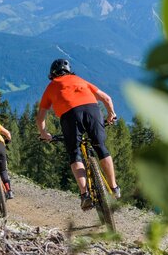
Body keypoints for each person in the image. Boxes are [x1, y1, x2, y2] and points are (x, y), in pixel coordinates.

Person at [36, 59, 120, 211]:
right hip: (93, 111)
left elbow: (41, 116)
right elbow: (106, 98)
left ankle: (85, 194)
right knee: (101, 147)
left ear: (52, 74)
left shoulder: (51, 86)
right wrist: (111, 115)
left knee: (75, 154)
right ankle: (114, 187)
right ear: (69, 71)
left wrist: (44, 133)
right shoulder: (79, 80)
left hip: (70, 116)